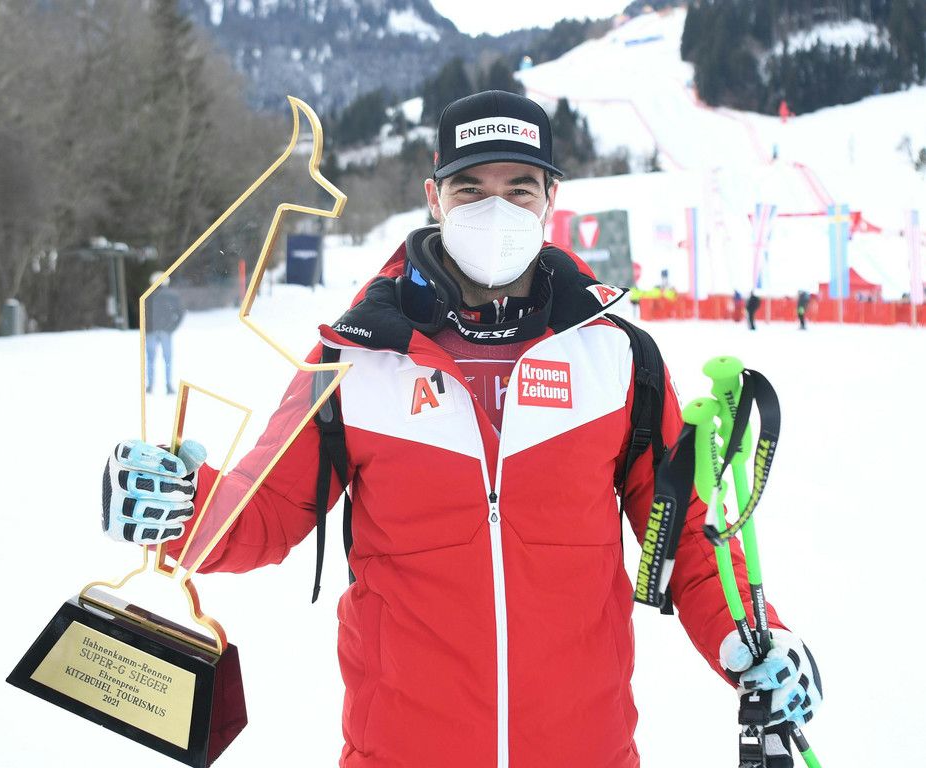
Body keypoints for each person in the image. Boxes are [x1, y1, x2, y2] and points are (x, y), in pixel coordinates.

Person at [101, 91, 821, 768]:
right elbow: (266, 507)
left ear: (550, 199)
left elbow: (690, 537)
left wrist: (755, 640)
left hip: (585, 749)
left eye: (519, 190)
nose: (494, 210)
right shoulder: (355, 359)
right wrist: (178, 505)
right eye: (471, 189)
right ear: (434, 197)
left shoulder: (618, 359)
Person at [144, 271, 185, 395]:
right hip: (164, 331)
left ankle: (151, 386)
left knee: (151, 359)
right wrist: (172, 327)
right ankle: (168, 385)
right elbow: (181, 313)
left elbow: (142, 313)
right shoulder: (172, 295)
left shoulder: (148, 295)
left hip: (152, 331)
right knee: (167, 359)